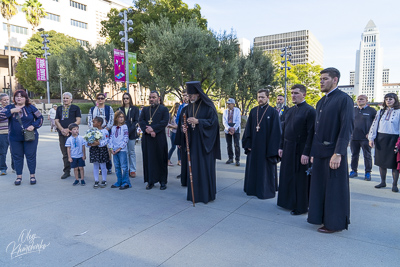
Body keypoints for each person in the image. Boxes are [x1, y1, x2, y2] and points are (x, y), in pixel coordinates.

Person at [308, 67, 354, 233]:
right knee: (319, 187)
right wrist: (313, 152)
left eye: (325, 79)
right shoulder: (321, 101)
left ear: (335, 80)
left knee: (334, 189)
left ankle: (334, 224)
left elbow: (346, 128)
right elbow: (316, 130)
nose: (321, 82)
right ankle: (319, 217)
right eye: (320, 79)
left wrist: (338, 153)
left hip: (334, 154)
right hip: (319, 153)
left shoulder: (344, 99)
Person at [175, 81, 221, 203]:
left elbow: (214, 124)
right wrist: (183, 129)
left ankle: (206, 195)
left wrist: (198, 121)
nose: (189, 98)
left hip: (205, 145)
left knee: (204, 169)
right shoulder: (187, 108)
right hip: (193, 144)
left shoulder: (208, 106)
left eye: (191, 95)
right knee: (194, 169)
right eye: (188, 96)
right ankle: (194, 194)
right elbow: (182, 125)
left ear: (198, 94)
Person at [277, 84, 316, 215]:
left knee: (300, 179)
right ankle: (287, 202)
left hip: (301, 149)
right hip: (288, 148)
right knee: (287, 175)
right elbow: (284, 130)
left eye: (296, 93)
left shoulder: (310, 111)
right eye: (292, 93)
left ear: (304, 94)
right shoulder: (289, 110)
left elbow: (311, 134)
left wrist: (307, 153)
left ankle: (301, 206)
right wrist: (281, 146)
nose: (293, 95)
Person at [242, 89, 281, 199]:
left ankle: (264, 190)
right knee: (253, 168)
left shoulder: (273, 112)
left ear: (268, 98)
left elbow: (276, 132)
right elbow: (248, 129)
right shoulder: (254, 111)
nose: (260, 99)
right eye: (259, 97)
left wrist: (272, 149)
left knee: (264, 170)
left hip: (266, 148)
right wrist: (248, 143)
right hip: (254, 147)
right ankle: (252, 189)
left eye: (263, 97)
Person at [3, 90, 43, 185]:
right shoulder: (9, 107)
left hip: (29, 136)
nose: (19, 98)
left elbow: (40, 118)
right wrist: (12, 111)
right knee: (17, 156)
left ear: (25, 98)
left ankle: (32, 176)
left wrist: (33, 126)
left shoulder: (31, 108)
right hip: (14, 137)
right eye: (17, 96)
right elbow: (1, 115)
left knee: (31, 156)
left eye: (21, 96)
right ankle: (19, 176)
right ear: (14, 98)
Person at [368, 93, 400, 193]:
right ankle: (383, 182)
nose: (388, 101)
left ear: (395, 100)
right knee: (381, 162)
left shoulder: (399, 112)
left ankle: (394, 184)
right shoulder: (381, 112)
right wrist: (371, 138)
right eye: (386, 99)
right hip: (381, 139)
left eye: (390, 99)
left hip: (393, 139)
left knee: (394, 164)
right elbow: (374, 125)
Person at [139, 91, 169, 190]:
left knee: (161, 159)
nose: (151, 99)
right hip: (147, 139)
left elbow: (164, 122)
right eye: (150, 97)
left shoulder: (164, 109)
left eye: (154, 97)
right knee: (149, 159)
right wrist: (147, 130)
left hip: (159, 138)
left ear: (158, 98)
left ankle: (162, 181)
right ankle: (150, 181)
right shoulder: (145, 110)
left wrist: (153, 129)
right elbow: (141, 121)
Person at [55, 92, 82, 179]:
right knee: (65, 153)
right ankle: (67, 171)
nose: (65, 100)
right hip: (62, 134)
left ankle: (78, 171)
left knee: (76, 152)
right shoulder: (59, 108)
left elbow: (78, 120)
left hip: (73, 134)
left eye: (67, 98)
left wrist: (69, 129)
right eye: (64, 98)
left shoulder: (75, 108)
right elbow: (56, 121)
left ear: (71, 99)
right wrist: (62, 129)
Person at [350, 95, 376, 180]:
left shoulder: (372, 111)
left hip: (366, 138)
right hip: (354, 137)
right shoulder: (353, 110)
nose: (359, 100)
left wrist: (371, 134)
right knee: (354, 155)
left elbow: (375, 124)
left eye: (362, 99)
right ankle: (354, 171)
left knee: (367, 156)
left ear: (366, 100)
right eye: (358, 99)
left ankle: (368, 173)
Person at [88, 93, 114, 174]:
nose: (100, 99)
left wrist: (107, 128)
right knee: (97, 148)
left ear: (104, 99)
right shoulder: (92, 109)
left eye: (102, 98)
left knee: (107, 149)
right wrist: (93, 130)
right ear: (96, 99)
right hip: (95, 131)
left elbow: (111, 119)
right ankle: (99, 167)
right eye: (98, 98)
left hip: (106, 130)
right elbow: (89, 120)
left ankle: (108, 166)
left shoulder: (109, 108)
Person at [117, 93, 139, 178]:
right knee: (123, 152)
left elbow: (136, 121)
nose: (125, 100)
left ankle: (132, 169)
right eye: (124, 98)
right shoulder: (120, 109)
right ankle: (125, 169)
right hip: (121, 134)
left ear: (130, 99)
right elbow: (117, 120)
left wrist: (129, 131)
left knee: (131, 152)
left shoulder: (134, 109)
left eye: (127, 98)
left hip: (131, 133)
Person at [110, 110, 131, 190]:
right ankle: (119, 181)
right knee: (117, 166)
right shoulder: (113, 127)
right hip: (114, 150)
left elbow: (126, 138)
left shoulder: (124, 127)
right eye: (119, 117)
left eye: (122, 117)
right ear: (116, 118)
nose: (121, 119)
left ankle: (126, 182)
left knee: (124, 166)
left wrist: (120, 148)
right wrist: (111, 148)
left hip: (121, 150)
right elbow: (111, 138)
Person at [88, 117, 109, 189]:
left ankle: (104, 180)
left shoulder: (104, 131)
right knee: (95, 165)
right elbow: (88, 139)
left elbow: (107, 140)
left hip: (102, 149)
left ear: (99, 123)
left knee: (103, 165)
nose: (93, 123)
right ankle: (96, 180)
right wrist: (90, 143)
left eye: (94, 122)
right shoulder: (91, 131)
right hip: (94, 149)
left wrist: (99, 143)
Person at [223, 98, 241, 166]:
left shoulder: (237, 110)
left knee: (236, 144)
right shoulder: (225, 111)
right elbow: (224, 121)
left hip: (235, 128)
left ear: (233, 104)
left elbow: (238, 121)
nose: (228, 105)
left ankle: (237, 159)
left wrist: (234, 128)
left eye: (229, 104)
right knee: (229, 144)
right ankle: (230, 158)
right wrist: (228, 128)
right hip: (228, 128)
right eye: (227, 104)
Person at [176, 89, 189, 182]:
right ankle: (183, 172)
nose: (185, 97)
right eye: (183, 95)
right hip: (181, 132)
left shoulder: (193, 106)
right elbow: (178, 119)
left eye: (186, 95)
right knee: (182, 154)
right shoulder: (181, 107)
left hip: (189, 133)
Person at [0, 93, 12, 175]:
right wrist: (10, 111)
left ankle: (15, 167)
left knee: (15, 152)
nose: (6, 101)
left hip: (12, 133)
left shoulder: (12, 108)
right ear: (1, 101)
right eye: (4, 100)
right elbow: (1, 116)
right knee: (2, 152)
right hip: (2, 133)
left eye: (7, 99)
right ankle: (3, 168)